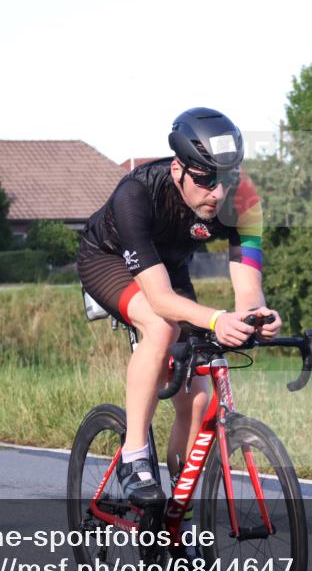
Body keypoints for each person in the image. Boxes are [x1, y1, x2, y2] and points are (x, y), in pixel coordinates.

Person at [77, 107, 281, 508]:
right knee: (160, 326)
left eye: (226, 179)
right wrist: (216, 318)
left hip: (168, 266)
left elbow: (248, 289)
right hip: (108, 259)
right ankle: (134, 457)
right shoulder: (135, 195)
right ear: (178, 170)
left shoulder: (245, 200)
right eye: (206, 181)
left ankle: (176, 516)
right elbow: (159, 300)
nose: (218, 194)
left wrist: (257, 316)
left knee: (198, 396)